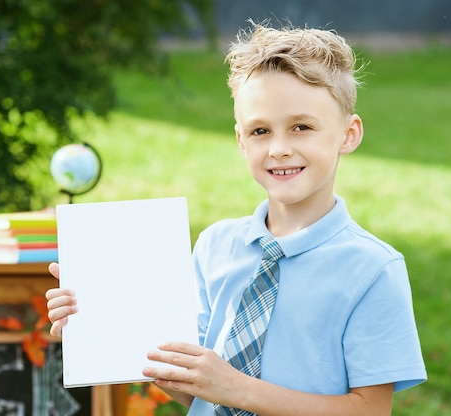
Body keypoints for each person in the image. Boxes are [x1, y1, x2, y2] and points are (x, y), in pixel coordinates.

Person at [46, 21, 427, 416]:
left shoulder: (373, 269)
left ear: (348, 134)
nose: (279, 148)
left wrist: (237, 389)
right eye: (260, 130)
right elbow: (197, 388)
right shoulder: (215, 246)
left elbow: (370, 411)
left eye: (302, 127)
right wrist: (96, 322)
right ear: (241, 141)